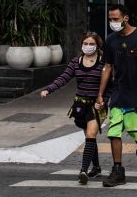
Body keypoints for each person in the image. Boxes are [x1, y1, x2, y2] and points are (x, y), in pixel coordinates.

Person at [96, 4, 137, 187]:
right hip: (118, 92)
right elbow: (107, 67)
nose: (112, 22)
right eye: (110, 19)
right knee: (113, 131)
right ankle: (118, 170)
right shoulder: (110, 40)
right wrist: (100, 95)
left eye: (115, 19)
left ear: (125, 18)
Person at [40, 32, 111, 185]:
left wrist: (104, 101)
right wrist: (49, 89)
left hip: (97, 105)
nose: (88, 46)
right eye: (85, 43)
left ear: (98, 46)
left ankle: (83, 171)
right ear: (81, 45)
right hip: (80, 105)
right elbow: (63, 77)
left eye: (92, 44)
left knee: (91, 134)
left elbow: (111, 85)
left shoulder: (103, 62)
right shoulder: (75, 62)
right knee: (89, 137)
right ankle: (97, 167)